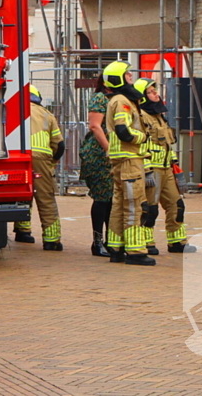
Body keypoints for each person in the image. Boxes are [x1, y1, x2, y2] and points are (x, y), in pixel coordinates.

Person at [102, 61, 156, 266]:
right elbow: (123, 131)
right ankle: (135, 251)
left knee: (119, 205)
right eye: (127, 74)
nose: (131, 76)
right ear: (119, 79)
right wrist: (143, 138)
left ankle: (116, 248)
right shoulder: (122, 101)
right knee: (135, 205)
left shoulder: (119, 100)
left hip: (121, 160)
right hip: (130, 159)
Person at [135, 78, 196, 255]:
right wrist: (146, 170)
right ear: (143, 97)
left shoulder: (159, 117)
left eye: (155, 91)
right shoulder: (141, 117)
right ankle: (147, 242)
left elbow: (167, 145)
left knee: (177, 204)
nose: (156, 94)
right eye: (151, 92)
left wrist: (175, 166)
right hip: (152, 170)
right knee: (150, 209)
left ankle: (177, 242)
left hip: (166, 169)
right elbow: (140, 145)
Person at [13, 85, 66, 251]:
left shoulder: (14, 108)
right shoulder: (46, 114)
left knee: (22, 193)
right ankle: (52, 240)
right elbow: (59, 144)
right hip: (40, 159)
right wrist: (53, 161)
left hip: (17, 157)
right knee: (46, 198)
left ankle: (23, 231)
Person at [78, 79, 113, 256]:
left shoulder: (121, 99)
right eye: (127, 76)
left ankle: (111, 241)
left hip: (114, 155)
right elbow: (95, 125)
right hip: (99, 155)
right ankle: (97, 242)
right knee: (102, 198)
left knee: (112, 200)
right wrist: (109, 149)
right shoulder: (100, 98)